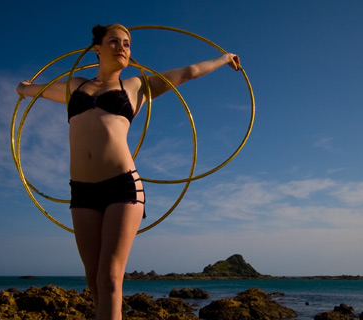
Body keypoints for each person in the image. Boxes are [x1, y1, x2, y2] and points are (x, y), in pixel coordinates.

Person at [16, 24, 240, 320]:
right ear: (97, 49)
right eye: (114, 41)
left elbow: (187, 72)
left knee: (110, 278)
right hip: (81, 190)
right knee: (94, 279)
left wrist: (223, 58)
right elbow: (34, 91)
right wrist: (22, 88)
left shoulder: (135, 86)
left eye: (127, 43)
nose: (122, 47)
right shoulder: (75, 86)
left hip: (122, 186)